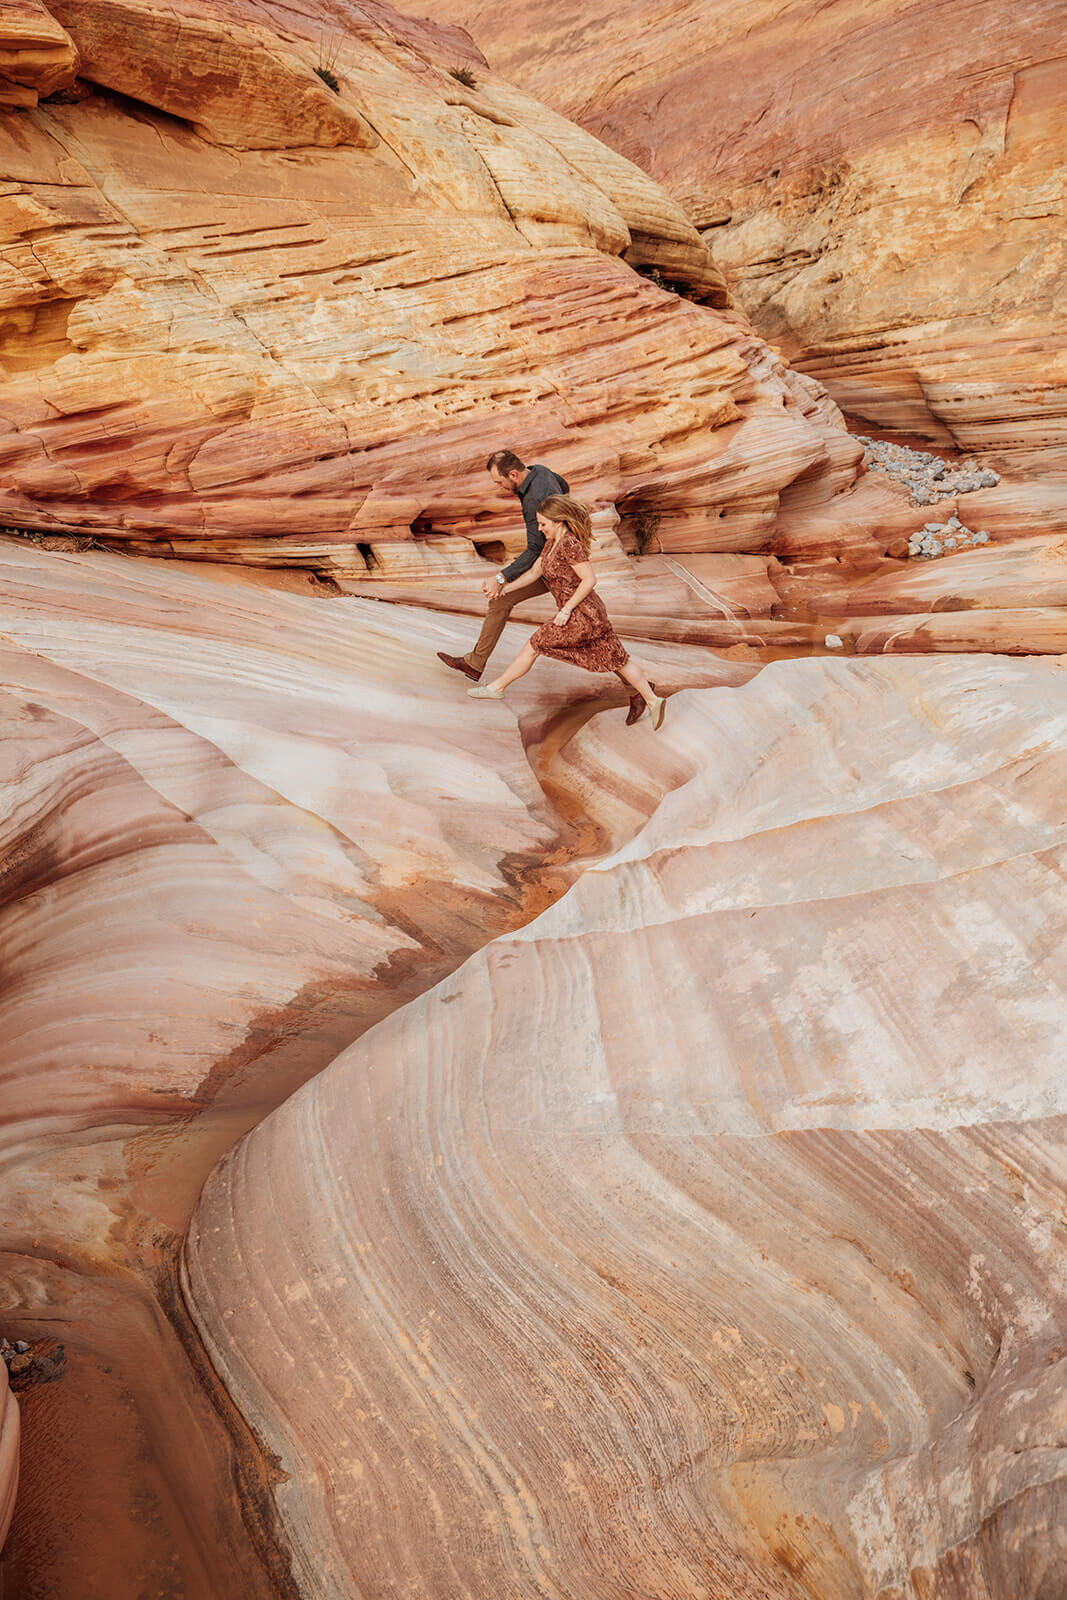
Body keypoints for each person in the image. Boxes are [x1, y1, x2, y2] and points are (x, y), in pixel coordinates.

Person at [437, 450, 654, 724]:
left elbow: (534, 551)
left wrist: (501, 578)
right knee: (507, 603)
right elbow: (564, 487)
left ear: (513, 475)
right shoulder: (540, 470)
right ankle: (475, 664)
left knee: (592, 637)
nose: (499, 487)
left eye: (498, 481)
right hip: (555, 560)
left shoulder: (533, 500)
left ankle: (639, 690)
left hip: (555, 567)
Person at [467, 495, 665, 730]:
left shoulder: (570, 544)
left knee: (535, 644)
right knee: (618, 659)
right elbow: (533, 574)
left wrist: (567, 609)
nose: (540, 529)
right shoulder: (552, 543)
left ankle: (496, 688)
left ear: (559, 521)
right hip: (589, 613)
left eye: (543, 524)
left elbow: (589, 579)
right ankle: (653, 700)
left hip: (582, 614)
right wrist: (504, 590)